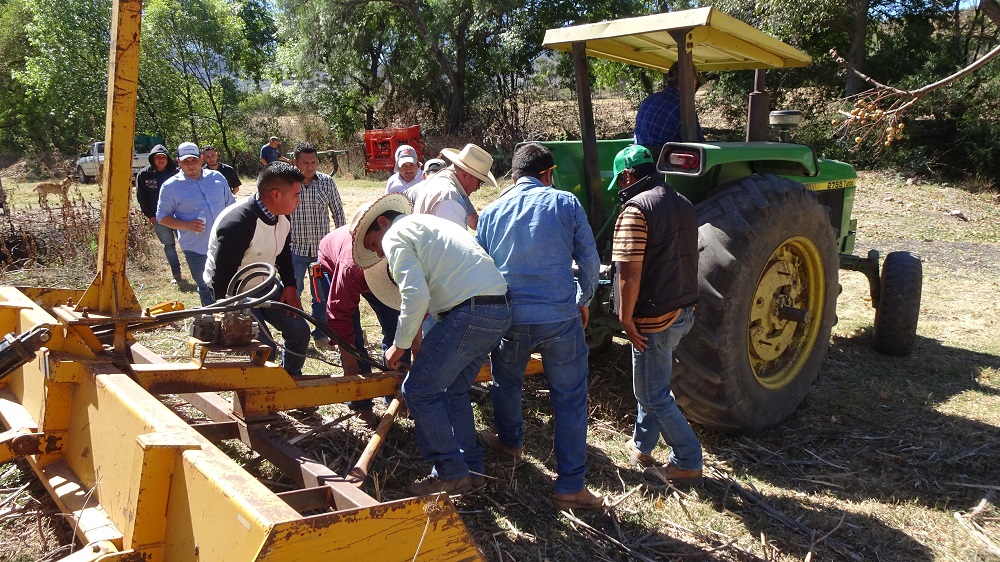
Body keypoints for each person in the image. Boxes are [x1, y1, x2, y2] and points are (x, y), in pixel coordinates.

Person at [353, 193, 511, 496]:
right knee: (452, 388)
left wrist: (398, 345)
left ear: (382, 222)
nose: (380, 252)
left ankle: (450, 472)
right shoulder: (426, 224)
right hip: (499, 309)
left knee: (418, 390)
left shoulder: (396, 235)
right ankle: (471, 467)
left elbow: (414, 295)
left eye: (374, 244)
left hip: (471, 312)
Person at [475, 142, 603, 510]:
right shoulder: (565, 203)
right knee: (570, 399)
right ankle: (570, 486)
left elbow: (482, 271)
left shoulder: (491, 211)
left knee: (506, 382)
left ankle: (511, 442)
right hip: (560, 319)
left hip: (511, 319)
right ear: (547, 174)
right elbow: (590, 262)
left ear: (513, 177)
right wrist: (583, 299)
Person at [609, 145, 702, 485]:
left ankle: (687, 459)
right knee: (653, 382)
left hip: (654, 317)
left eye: (620, 182)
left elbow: (629, 275)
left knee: (652, 394)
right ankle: (642, 445)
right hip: (682, 311)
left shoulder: (635, 211)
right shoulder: (684, 203)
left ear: (627, 176)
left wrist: (625, 317)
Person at [204, 162, 310, 376]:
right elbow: (222, 277)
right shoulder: (238, 224)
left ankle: (290, 381)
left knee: (300, 331)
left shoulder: (282, 215)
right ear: (276, 195)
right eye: (296, 195)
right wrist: (229, 312)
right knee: (262, 349)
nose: (299, 200)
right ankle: (264, 391)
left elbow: (282, 252)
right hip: (234, 291)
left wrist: (289, 285)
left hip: (266, 284)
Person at [316, 222, 414, 428]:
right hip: (333, 265)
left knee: (397, 328)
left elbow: (412, 315)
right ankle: (362, 405)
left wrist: (413, 349)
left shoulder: (403, 259)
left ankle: (396, 394)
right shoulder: (351, 267)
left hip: (377, 275)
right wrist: (351, 367)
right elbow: (339, 315)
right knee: (354, 338)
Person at [156, 142, 236, 306]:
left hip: (224, 244)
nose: (191, 165)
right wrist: (187, 225)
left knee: (231, 285)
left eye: (194, 160)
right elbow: (162, 217)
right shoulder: (170, 187)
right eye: (186, 162)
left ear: (201, 159)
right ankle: (212, 323)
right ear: (178, 162)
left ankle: (231, 320)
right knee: (205, 286)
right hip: (196, 248)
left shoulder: (217, 178)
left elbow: (231, 206)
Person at [289, 142, 346, 346]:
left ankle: (320, 334)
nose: (310, 166)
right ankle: (296, 334)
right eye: (305, 163)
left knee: (321, 295)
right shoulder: (288, 183)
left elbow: (338, 212)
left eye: (313, 162)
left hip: (321, 251)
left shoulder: (327, 182)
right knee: (293, 293)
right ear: (295, 163)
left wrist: (341, 244)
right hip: (294, 249)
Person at [412, 143, 494, 230]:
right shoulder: (449, 196)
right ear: (465, 175)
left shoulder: (437, 180)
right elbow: (454, 241)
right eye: (479, 182)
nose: (478, 187)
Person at [135, 144, 182, 284]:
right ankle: (177, 275)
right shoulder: (144, 174)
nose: (161, 160)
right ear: (152, 159)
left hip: (179, 215)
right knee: (168, 246)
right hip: (159, 218)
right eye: (158, 157)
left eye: (163, 157)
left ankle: (197, 273)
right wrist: (151, 216)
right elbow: (141, 198)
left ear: (168, 159)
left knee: (188, 243)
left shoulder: (177, 173)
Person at [633, 64, 705, 150]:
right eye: (695, 82)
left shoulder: (649, 100)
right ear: (691, 82)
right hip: (665, 161)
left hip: (639, 159)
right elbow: (699, 146)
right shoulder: (683, 109)